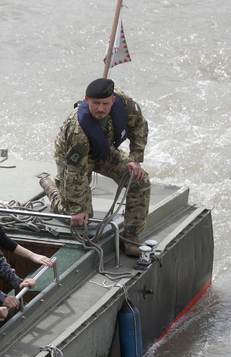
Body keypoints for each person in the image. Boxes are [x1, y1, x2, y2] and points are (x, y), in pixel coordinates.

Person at [41, 78, 151, 256]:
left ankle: (131, 237)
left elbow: (139, 125)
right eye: (95, 103)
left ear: (113, 100)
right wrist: (77, 209)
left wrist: (135, 158)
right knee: (79, 217)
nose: (100, 109)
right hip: (72, 158)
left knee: (140, 180)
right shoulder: (77, 129)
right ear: (86, 100)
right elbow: (74, 172)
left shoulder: (123, 103)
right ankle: (53, 191)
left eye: (105, 104)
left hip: (103, 149)